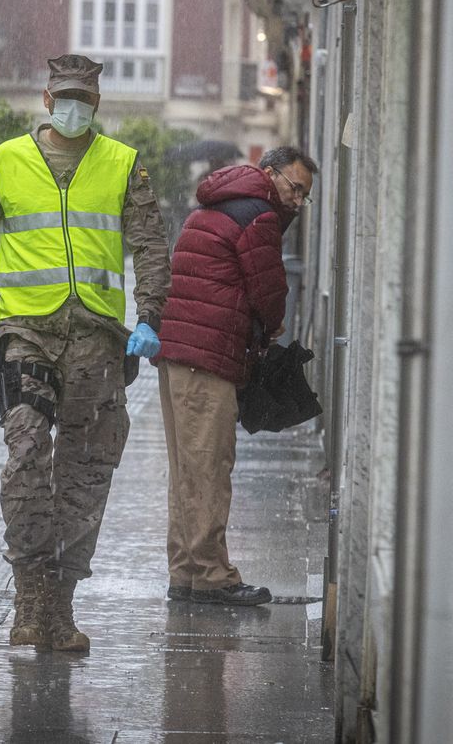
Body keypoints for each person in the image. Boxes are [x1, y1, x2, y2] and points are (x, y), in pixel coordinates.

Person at [0, 54, 172, 652]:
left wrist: (149, 316)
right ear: (48, 99)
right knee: (27, 455)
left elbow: (151, 248)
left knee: (86, 473)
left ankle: (61, 604)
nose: (75, 108)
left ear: (96, 104)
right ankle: (28, 592)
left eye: (85, 98)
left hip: (97, 340)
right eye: (66, 97)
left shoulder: (123, 165)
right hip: (26, 335)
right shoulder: (5, 162)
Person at [156, 145, 317, 605]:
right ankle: (212, 575)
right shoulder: (258, 215)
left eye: (304, 195)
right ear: (269, 172)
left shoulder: (213, 205)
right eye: (294, 188)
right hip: (207, 357)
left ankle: (187, 571)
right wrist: (272, 324)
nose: (297, 201)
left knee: (187, 469)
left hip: (179, 353)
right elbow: (269, 289)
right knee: (209, 467)